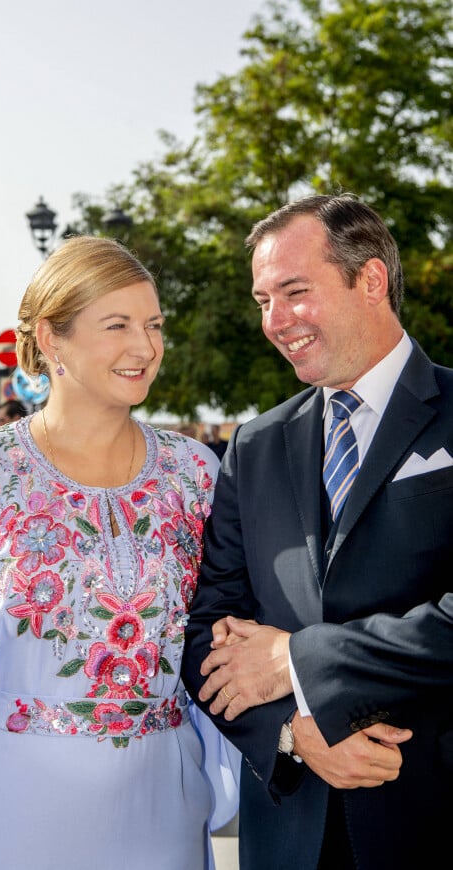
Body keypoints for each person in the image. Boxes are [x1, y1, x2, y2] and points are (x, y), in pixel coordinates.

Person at [0, 235, 238, 870]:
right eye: (118, 324)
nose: (145, 347)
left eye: (154, 325)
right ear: (50, 339)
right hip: (0, 822)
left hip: (162, 819)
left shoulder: (198, 474)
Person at [182, 193, 453, 870]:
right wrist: (294, 737)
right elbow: (208, 630)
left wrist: (300, 659)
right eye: (262, 300)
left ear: (370, 279)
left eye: (294, 291)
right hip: (291, 833)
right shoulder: (254, 445)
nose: (275, 320)